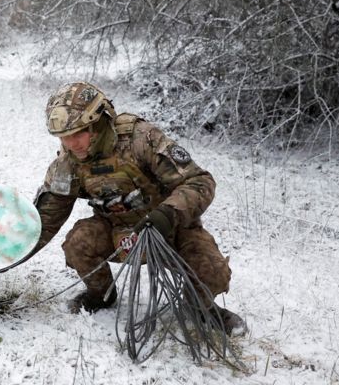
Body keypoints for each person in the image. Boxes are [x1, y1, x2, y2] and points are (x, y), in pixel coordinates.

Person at [30, 81, 246, 336]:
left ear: (98, 123)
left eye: (78, 133)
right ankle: (101, 296)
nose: (71, 143)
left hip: (170, 228)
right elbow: (46, 218)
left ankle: (201, 308)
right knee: (78, 242)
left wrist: (167, 214)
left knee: (212, 271)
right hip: (118, 232)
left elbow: (199, 181)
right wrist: (2, 257)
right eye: (64, 137)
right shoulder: (68, 163)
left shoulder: (140, 139)